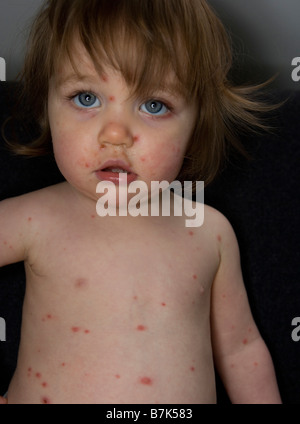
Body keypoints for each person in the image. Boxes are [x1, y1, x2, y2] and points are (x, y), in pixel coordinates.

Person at [0, 0, 281, 404]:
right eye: (85, 98)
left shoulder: (209, 231)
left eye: (154, 105)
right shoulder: (33, 218)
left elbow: (239, 350)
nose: (115, 133)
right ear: (46, 105)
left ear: (196, 128)